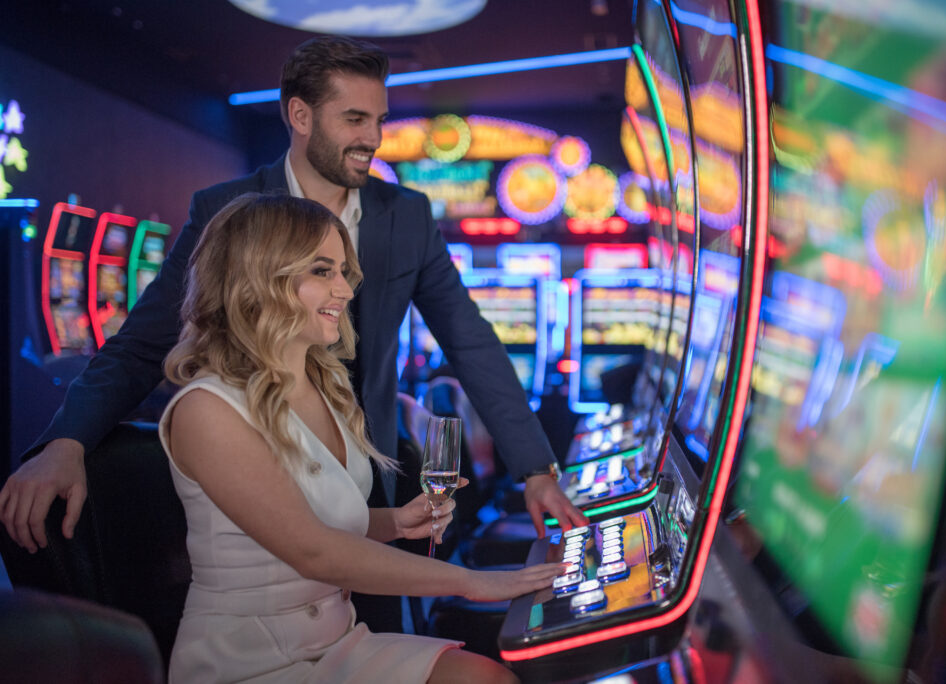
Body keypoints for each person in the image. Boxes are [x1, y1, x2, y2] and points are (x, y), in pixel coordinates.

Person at [0, 33, 587, 627]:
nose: (372, 139)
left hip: (368, 474)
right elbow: (140, 346)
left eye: (379, 119)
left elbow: (470, 342)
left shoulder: (405, 215)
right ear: (299, 115)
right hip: (261, 470)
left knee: (384, 632)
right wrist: (65, 442)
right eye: (354, 118)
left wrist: (536, 471)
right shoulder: (228, 207)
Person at [158, 192, 561, 683]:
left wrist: (395, 520)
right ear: (263, 277)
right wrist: (472, 582)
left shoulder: (325, 385)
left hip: (336, 638)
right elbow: (313, 550)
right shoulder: (207, 409)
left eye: (344, 272)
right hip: (248, 658)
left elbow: (314, 518)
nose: (346, 291)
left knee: (489, 676)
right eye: (323, 271)